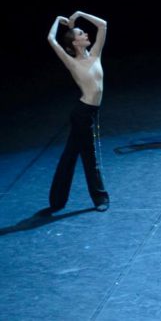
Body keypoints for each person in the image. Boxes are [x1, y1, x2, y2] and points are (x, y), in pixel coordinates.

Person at [46, 11, 111, 213]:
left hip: (89, 113)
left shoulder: (95, 54)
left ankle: (57, 200)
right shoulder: (72, 62)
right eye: (81, 34)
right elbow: (51, 39)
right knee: (89, 156)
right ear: (75, 43)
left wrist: (80, 14)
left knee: (70, 155)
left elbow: (103, 24)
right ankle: (100, 198)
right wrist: (57, 19)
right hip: (82, 114)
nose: (85, 35)